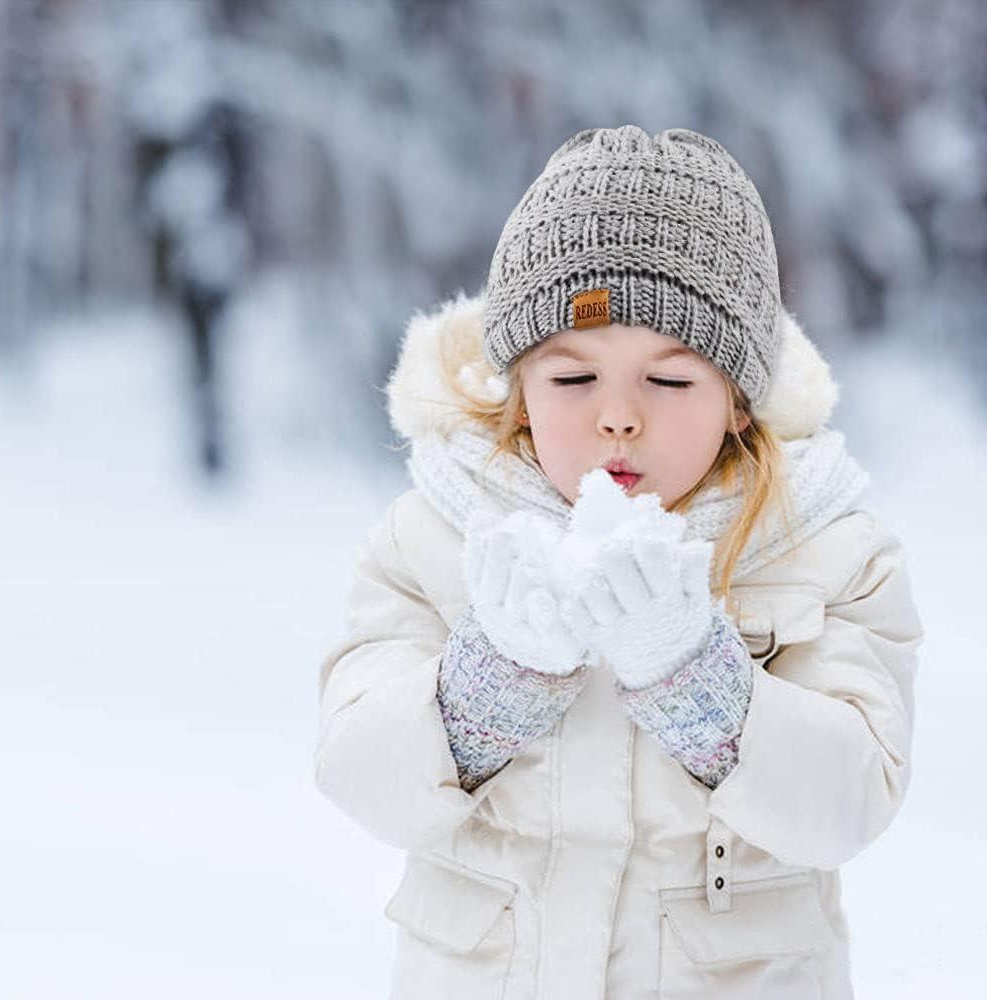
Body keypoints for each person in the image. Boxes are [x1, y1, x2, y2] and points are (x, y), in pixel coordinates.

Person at [314, 125, 924, 999]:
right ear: (519, 392)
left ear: (740, 401)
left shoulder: (827, 550)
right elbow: (360, 775)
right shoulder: (435, 538)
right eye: (572, 380)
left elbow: (852, 800)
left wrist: (696, 679)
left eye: (670, 381)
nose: (618, 418)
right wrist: (488, 685)